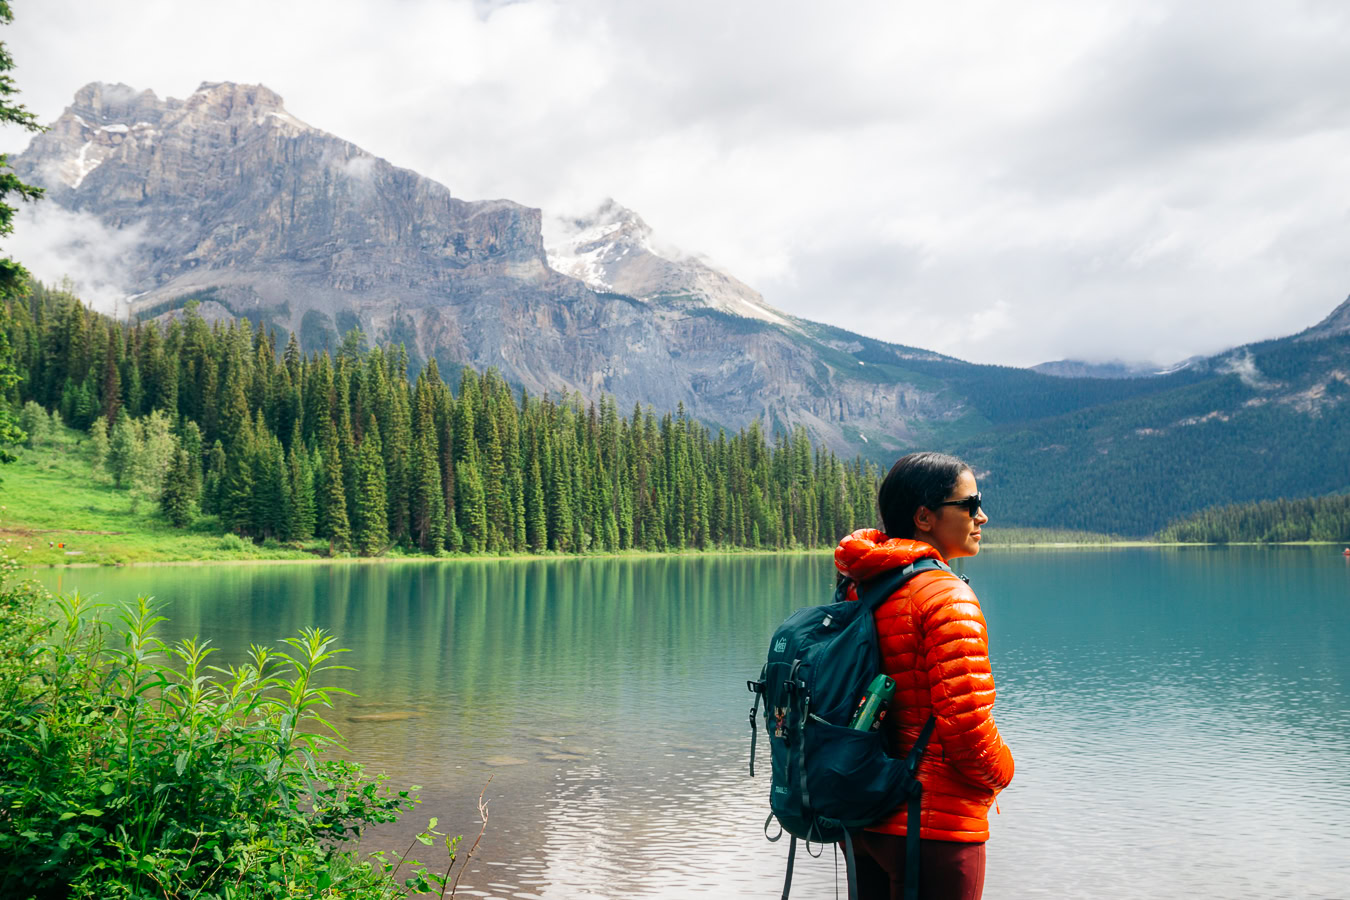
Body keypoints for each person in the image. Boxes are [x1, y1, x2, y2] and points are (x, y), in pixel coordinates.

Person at [833, 451, 1014, 900]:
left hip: (864, 816)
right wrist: (1004, 772)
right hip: (934, 825)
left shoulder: (864, 585)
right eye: (970, 505)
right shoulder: (946, 596)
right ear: (924, 517)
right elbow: (968, 728)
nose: (982, 516)